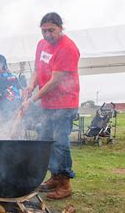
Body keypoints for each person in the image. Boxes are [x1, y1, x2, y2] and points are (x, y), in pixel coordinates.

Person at [20, 12, 80, 200]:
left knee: (60, 143)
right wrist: (31, 85)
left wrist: (32, 99)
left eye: (51, 30)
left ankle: (65, 183)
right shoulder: (42, 45)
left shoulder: (68, 48)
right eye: (44, 31)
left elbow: (55, 81)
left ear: (61, 28)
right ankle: (54, 176)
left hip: (65, 103)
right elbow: (38, 69)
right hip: (47, 103)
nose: (47, 35)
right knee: (45, 140)